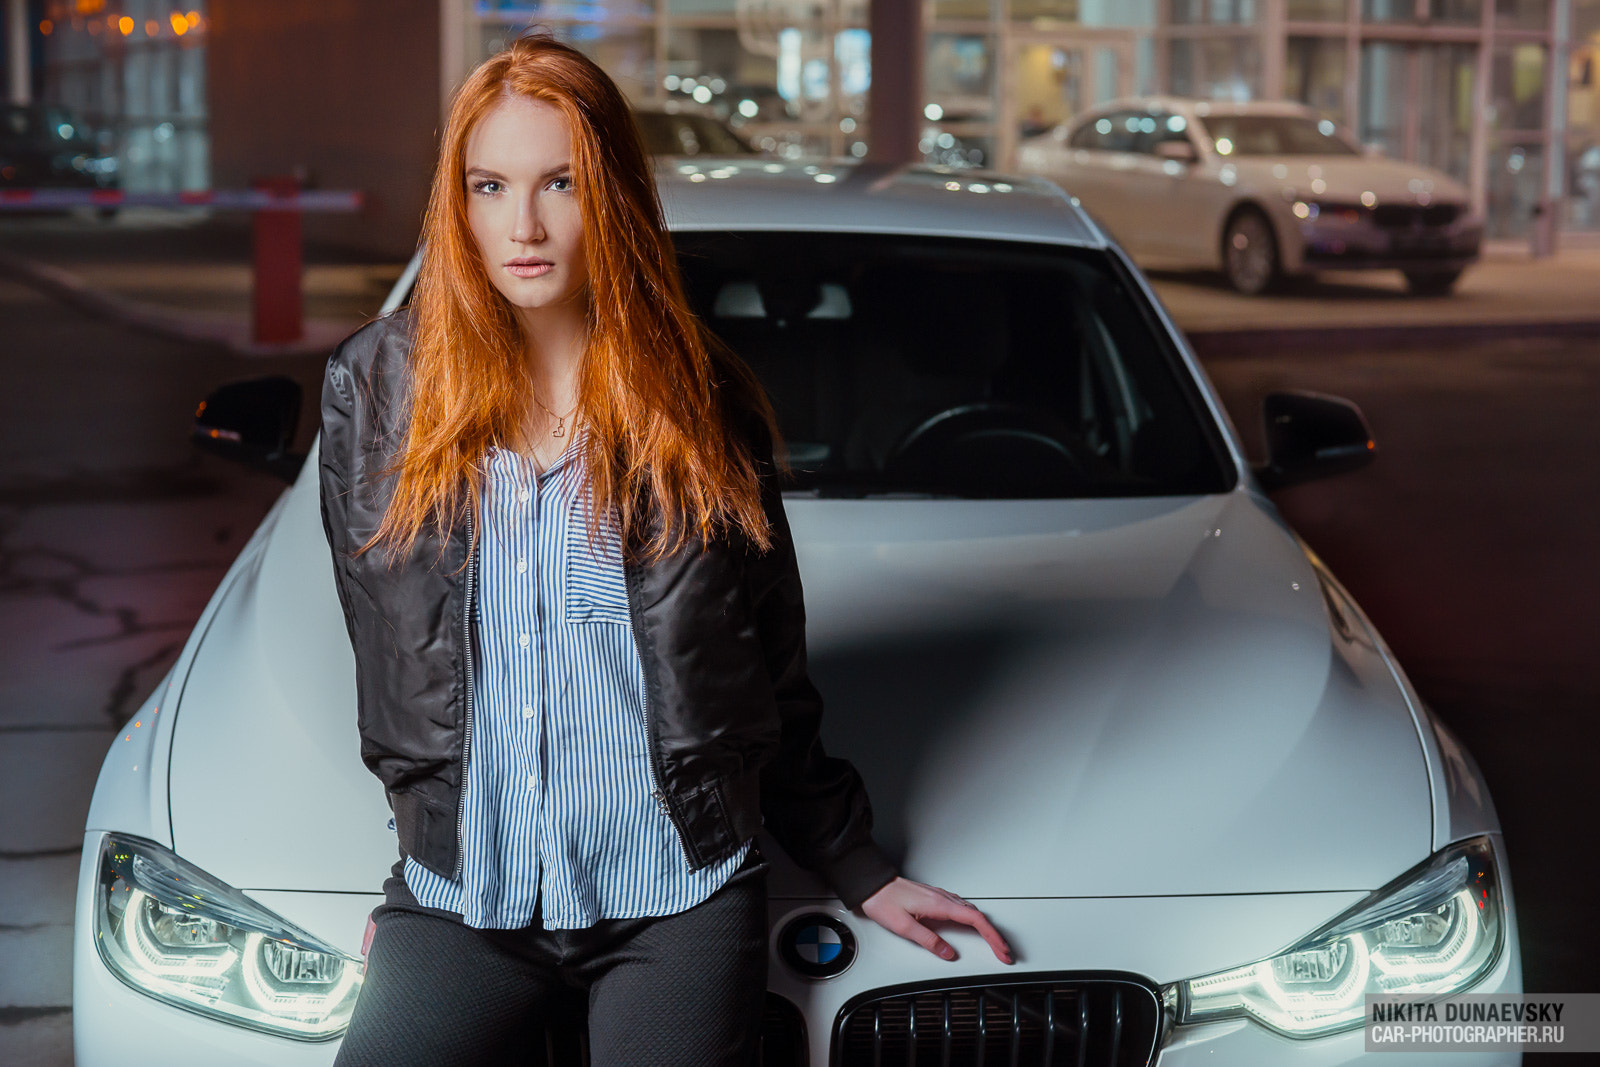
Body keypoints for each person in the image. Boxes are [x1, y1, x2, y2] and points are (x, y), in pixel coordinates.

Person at [318, 30, 1011, 1066]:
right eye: (489, 184)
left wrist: (855, 862)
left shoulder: (700, 400)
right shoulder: (373, 395)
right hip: (464, 901)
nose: (524, 223)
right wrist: (417, 868)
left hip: (671, 898)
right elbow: (391, 658)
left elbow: (764, 662)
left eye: (561, 182)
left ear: (615, 196)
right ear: (455, 203)